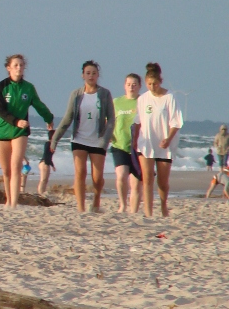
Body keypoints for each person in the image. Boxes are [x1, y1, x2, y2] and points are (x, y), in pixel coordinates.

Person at [51, 60, 115, 213]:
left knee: (97, 178)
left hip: (98, 140)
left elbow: (111, 119)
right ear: (83, 75)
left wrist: (106, 139)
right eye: (88, 73)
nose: (91, 76)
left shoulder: (104, 94)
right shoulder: (76, 94)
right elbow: (67, 118)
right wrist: (55, 139)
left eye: (94, 73)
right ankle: (81, 208)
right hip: (79, 139)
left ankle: (96, 201)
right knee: (80, 173)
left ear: (98, 75)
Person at [0, 54, 54, 208]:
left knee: (16, 167)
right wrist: (15, 121)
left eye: (21, 65)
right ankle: (8, 200)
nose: (19, 68)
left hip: (20, 132)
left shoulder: (28, 88)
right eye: (15, 65)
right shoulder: (2, 86)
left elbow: (38, 104)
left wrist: (48, 118)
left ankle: (14, 204)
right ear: (9, 68)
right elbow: (0, 110)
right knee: (6, 171)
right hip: (1, 131)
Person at [130, 61, 183, 218]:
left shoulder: (169, 97)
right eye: (149, 84)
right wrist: (135, 140)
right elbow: (138, 121)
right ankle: (148, 213)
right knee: (147, 179)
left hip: (165, 145)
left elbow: (176, 122)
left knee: (162, 182)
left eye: (155, 84)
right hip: (146, 143)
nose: (152, 87)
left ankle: (163, 205)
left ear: (160, 81)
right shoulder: (142, 99)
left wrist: (168, 138)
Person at [110, 73, 142, 213]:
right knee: (122, 175)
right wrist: (109, 133)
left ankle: (134, 211)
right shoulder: (116, 102)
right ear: (124, 86)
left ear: (139, 86)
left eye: (134, 85)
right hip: (119, 145)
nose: (131, 87)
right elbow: (108, 120)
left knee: (136, 184)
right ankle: (122, 205)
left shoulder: (143, 101)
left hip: (138, 147)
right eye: (129, 84)